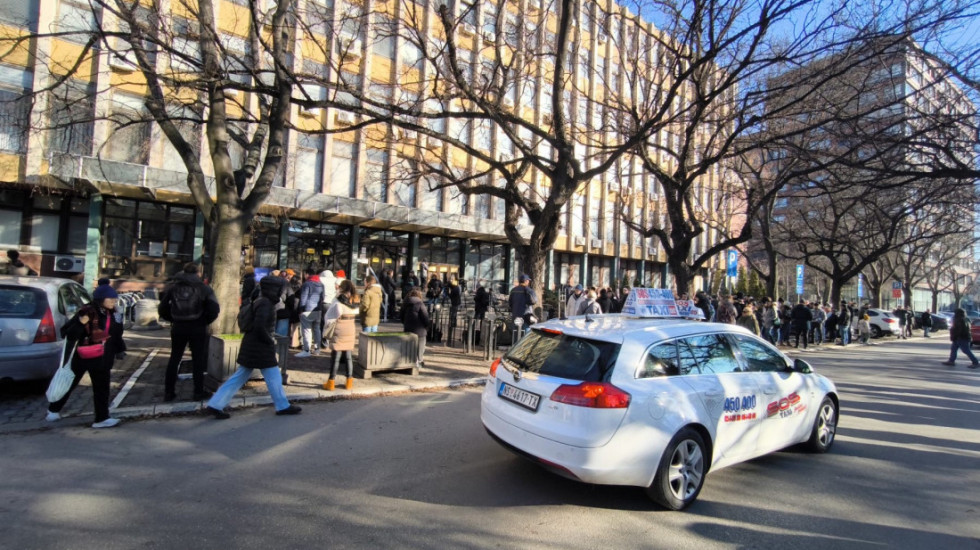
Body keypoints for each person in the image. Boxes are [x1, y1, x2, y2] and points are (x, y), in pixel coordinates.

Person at [206, 277, 302, 419]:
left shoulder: (260, 300)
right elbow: (260, 326)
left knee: (242, 376)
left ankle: (216, 403)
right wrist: (269, 341)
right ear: (274, 289)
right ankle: (282, 406)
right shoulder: (265, 304)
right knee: (273, 375)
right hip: (260, 346)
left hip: (252, 344)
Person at [46, 283, 125, 428]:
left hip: (104, 356)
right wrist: (81, 324)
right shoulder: (87, 312)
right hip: (83, 355)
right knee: (70, 382)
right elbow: (69, 334)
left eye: (115, 298)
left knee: (102, 388)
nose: (114, 301)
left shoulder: (114, 313)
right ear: (101, 299)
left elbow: (117, 334)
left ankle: (101, 419)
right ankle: (53, 410)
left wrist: (120, 350)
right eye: (110, 298)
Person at [159, 262, 221, 402]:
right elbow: (214, 308)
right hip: (197, 326)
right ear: (197, 273)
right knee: (198, 359)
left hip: (178, 326)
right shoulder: (203, 288)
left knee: (174, 358)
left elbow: (162, 308)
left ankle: (169, 392)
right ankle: (198, 391)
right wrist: (204, 321)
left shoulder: (173, 287)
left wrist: (173, 318)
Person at [323, 279, 360, 390]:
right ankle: (349, 381)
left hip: (340, 326)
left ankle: (331, 382)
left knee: (336, 356)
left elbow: (332, 314)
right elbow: (357, 311)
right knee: (348, 356)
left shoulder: (338, 300)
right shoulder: (355, 299)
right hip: (350, 327)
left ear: (341, 288)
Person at [296, 267, 325, 358]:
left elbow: (303, 298)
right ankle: (317, 349)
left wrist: (301, 309)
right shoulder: (321, 284)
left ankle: (307, 349)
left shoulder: (307, 284)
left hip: (307, 310)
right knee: (317, 329)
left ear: (308, 274)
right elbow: (322, 297)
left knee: (306, 330)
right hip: (318, 310)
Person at [401, 288, 430, 369]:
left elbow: (401, 316)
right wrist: (427, 325)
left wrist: (405, 323)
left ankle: (410, 360)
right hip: (419, 329)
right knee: (421, 345)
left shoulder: (405, 303)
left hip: (408, 328)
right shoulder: (420, 303)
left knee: (410, 345)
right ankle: (419, 360)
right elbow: (425, 317)